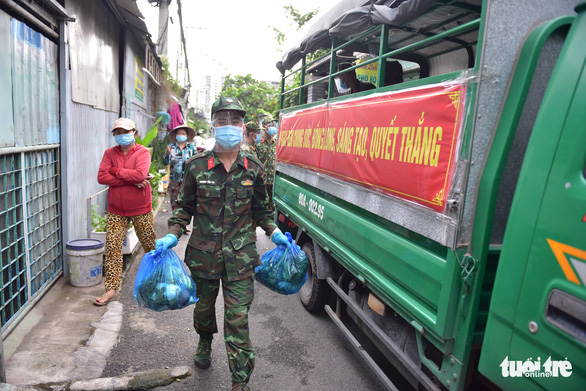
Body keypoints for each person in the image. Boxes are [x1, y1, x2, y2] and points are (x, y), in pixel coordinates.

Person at [155, 96, 292, 391]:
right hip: (203, 256)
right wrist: (172, 233)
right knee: (203, 310)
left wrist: (274, 231)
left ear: (242, 127)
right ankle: (205, 340)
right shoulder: (196, 166)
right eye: (222, 121)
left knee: (238, 320)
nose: (228, 126)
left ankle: (240, 383)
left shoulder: (253, 167)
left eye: (235, 121)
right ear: (214, 125)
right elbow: (183, 208)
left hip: (241, 259)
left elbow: (261, 210)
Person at [95, 118, 156, 306]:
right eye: (118, 132)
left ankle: (154, 282)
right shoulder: (109, 153)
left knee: (150, 247)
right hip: (115, 210)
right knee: (113, 248)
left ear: (135, 133)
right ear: (114, 135)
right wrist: (130, 180)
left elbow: (140, 174)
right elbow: (101, 177)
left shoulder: (143, 152)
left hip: (140, 208)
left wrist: (116, 171)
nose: (122, 135)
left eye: (126, 132)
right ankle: (111, 289)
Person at [163, 124, 198, 212]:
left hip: (188, 182)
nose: (181, 135)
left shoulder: (192, 148)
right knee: (175, 205)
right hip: (175, 181)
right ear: (175, 135)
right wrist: (167, 154)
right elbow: (165, 162)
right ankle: (176, 223)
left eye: (183, 133)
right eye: (179, 133)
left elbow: (196, 164)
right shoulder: (171, 147)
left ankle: (184, 224)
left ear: (187, 136)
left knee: (186, 205)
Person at [256, 114, 277, 213]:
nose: (273, 126)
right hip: (262, 181)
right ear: (264, 127)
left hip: (274, 181)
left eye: (273, 124)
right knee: (261, 207)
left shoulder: (276, 143)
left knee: (272, 208)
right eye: (270, 124)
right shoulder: (259, 144)